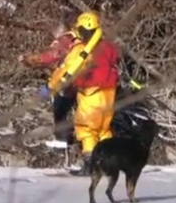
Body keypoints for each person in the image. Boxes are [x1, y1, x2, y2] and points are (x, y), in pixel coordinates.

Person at [40, 11, 120, 175]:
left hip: (91, 94)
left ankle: (90, 166)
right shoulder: (109, 47)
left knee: (86, 129)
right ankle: (109, 164)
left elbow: (65, 71)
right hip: (109, 93)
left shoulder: (81, 50)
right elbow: (115, 59)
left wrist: (50, 87)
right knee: (104, 129)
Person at [19, 12, 79, 148]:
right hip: (84, 82)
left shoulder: (65, 40)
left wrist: (28, 59)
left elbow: (49, 57)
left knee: (60, 111)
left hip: (66, 83)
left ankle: (62, 141)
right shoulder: (81, 40)